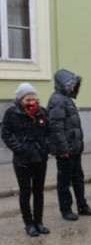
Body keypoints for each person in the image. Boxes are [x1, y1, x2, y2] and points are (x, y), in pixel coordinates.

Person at [47, 69, 91, 221]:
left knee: (78, 178)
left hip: (74, 148)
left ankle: (82, 206)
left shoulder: (66, 99)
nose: (73, 86)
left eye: (74, 84)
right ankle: (66, 210)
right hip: (65, 151)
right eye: (71, 84)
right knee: (64, 181)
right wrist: (63, 150)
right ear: (63, 84)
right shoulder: (57, 100)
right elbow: (56, 128)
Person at [1, 83, 51, 236]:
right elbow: (5, 133)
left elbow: (49, 132)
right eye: (27, 100)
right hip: (22, 160)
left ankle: (39, 222)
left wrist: (46, 146)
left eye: (33, 99)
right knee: (25, 192)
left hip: (40, 158)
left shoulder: (42, 112)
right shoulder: (12, 113)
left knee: (38, 192)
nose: (31, 103)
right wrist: (19, 147)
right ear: (20, 99)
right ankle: (29, 224)